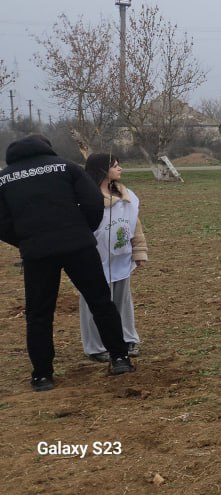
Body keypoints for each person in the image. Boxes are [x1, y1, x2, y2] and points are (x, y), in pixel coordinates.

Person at [0, 135, 135, 391]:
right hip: (78, 246)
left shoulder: (4, 178)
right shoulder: (66, 167)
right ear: (46, 148)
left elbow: (2, 222)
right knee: (100, 302)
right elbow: (94, 201)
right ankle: (120, 358)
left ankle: (42, 375)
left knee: (38, 314)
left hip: (37, 253)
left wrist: (25, 240)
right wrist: (83, 230)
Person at [79, 153, 149, 362]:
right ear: (102, 170)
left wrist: (139, 251)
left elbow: (134, 226)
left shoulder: (126, 196)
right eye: (115, 166)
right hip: (93, 261)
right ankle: (96, 346)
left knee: (122, 301)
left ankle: (127, 338)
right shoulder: (85, 198)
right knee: (94, 302)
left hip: (121, 259)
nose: (120, 169)